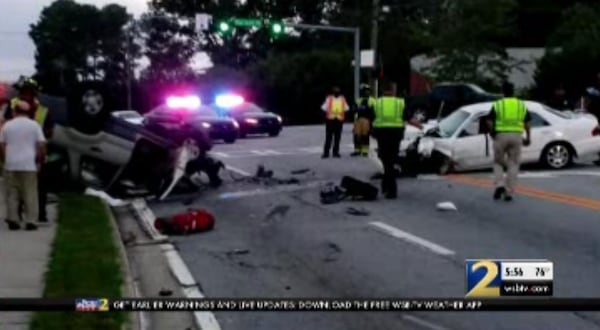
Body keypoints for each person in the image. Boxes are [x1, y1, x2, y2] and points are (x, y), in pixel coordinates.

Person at [5, 77, 53, 222]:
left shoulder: (43, 110)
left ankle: (40, 213)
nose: (25, 95)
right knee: (16, 187)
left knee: (40, 186)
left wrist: (41, 150)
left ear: (34, 94)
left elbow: (50, 131)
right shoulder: (12, 106)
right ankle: (16, 214)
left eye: (28, 92)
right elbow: (5, 126)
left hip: (37, 150)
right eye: (23, 92)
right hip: (17, 150)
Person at [0, 100, 46, 231]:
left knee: (12, 193)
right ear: (28, 113)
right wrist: (39, 159)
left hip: (11, 164)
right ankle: (31, 221)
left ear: (15, 111)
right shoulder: (34, 125)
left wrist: (5, 158)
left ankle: (13, 219)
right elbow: (41, 145)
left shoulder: (8, 125)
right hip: (29, 164)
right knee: (30, 193)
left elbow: (1, 144)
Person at [372, 83, 423, 199]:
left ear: (383, 91)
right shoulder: (399, 103)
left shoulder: (377, 103)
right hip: (395, 135)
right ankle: (390, 188)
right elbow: (408, 118)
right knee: (390, 161)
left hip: (382, 134)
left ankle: (389, 187)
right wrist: (420, 126)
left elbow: (371, 117)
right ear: (392, 90)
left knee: (386, 161)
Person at [486, 82, 531, 202]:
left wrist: (492, 133)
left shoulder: (498, 104)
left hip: (500, 135)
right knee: (513, 163)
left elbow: (489, 121)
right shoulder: (521, 105)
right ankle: (508, 192)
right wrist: (528, 137)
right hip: (516, 136)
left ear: (503, 92)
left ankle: (499, 184)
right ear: (513, 91)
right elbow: (527, 123)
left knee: (498, 162)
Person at [321, 87, 349, 158]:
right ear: (333, 92)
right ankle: (327, 153)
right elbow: (324, 108)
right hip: (331, 120)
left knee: (337, 137)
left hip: (338, 120)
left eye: (337, 92)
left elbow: (346, 108)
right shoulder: (329, 99)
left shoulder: (342, 99)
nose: (336, 93)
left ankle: (335, 152)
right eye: (335, 92)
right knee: (329, 137)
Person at [351, 84, 376, 157]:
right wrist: (356, 109)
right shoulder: (358, 100)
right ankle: (357, 151)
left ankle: (365, 151)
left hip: (367, 120)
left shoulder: (373, 100)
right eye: (365, 91)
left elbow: (374, 112)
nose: (366, 92)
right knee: (357, 136)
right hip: (358, 120)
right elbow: (353, 110)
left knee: (365, 136)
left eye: (368, 91)